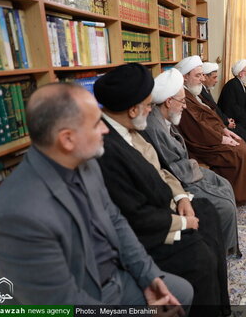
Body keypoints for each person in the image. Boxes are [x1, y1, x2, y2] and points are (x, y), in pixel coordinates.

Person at [0, 83, 191, 313]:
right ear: (67, 139)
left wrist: (149, 277)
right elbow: (60, 304)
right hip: (82, 294)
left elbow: (116, 221)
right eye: (97, 124)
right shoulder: (16, 213)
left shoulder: (86, 164)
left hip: (114, 278)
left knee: (181, 292)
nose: (106, 130)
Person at [93, 63, 230, 316]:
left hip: (169, 204)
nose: (151, 109)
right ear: (133, 109)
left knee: (208, 211)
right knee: (201, 259)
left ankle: (220, 308)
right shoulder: (108, 149)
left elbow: (163, 169)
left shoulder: (131, 128)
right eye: (147, 105)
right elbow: (135, 216)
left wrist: (180, 196)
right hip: (152, 230)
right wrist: (182, 222)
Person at [141, 68, 240, 255]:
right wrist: (194, 167)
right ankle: (223, 252)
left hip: (187, 169)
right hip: (181, 179)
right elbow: (171, 167)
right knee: (224, 205)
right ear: (169, 101)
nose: (185, 106)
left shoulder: (165, 117)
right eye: (182, 101)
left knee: (225, 184)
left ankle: (224, 245)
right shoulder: (154, 126)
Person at [174, 55, 246, 206]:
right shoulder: (184, 96)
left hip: (211, 133)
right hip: (201, 142)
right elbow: (196, 127)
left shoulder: (194, 91)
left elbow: (209, 115)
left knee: (240, 142)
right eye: (198, 75)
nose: (202, 79)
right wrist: (220, 138)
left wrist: (223, 130)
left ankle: (245, 191)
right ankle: (238, 195)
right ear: (184, 77)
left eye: (202, 75)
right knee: (236, 150)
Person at [200, 62, 246, 174]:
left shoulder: (240, 85)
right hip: (227, 121)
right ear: (241, 73)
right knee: (243, 133)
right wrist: (228, 121)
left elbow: (216, 109)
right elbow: (230, 108)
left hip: (226, 120)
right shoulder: (232, 85)